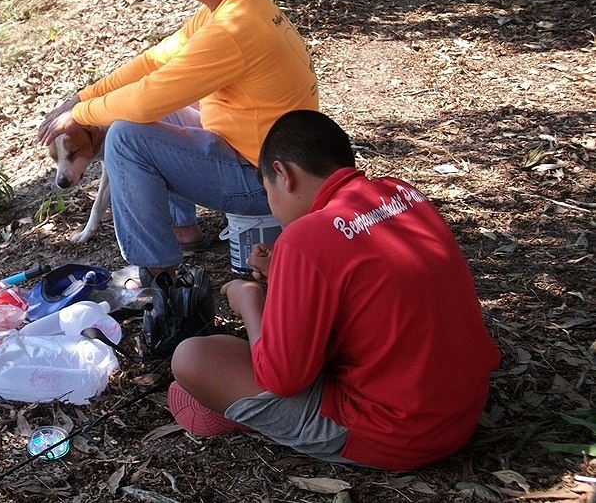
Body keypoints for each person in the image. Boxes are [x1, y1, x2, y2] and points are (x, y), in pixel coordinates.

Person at [168, 110, 501, 471]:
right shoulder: (402, 193)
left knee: (193, 359)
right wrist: (281, 271)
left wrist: (251, 300)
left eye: (268, 193)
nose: (273, 208)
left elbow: (281, 378)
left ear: (283, 174)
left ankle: (252, 417)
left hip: (397, 435)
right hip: (463, 410)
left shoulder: (305, 237)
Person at [37, 0, 318, 285]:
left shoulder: (231, 30)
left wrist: (83, 116)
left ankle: (158, 278)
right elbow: (155, 60)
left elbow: (145, 98)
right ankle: (183, 228)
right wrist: (83, 97)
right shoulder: (239, 4)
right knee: (148, 118)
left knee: (124, 138)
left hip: (265, 180)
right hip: (267, 154)